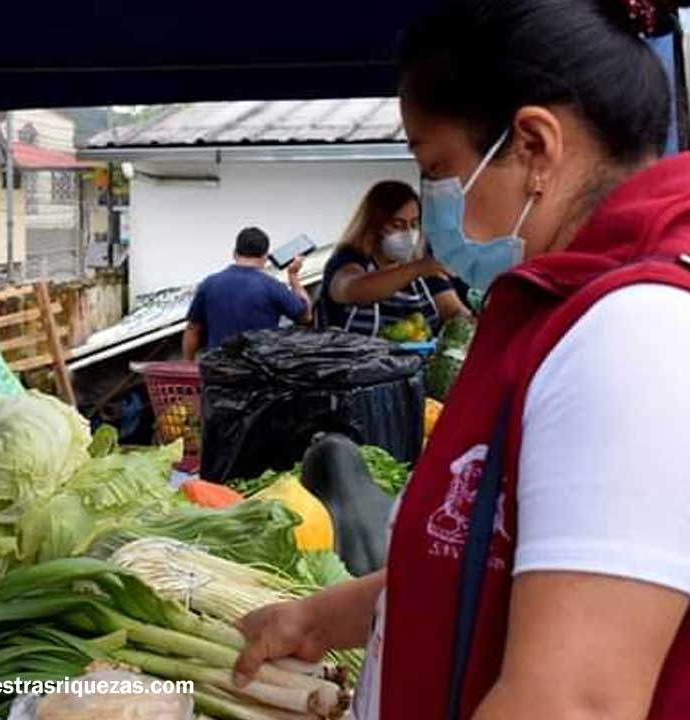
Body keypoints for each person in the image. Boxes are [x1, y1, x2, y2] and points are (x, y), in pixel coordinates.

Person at [233, 1, 690, 719]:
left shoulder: (634, 334)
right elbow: (503, 572)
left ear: (533, 146)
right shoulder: (565, 309)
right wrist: (319, 620)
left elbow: (573, 703)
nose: (436, 210)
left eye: (436, 169)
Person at [319, 180, 472, 335]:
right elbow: (352, 289)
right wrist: (416, 269)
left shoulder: (424, 264)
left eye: (414, 224)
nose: (408, 233)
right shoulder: (349, 259)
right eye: (397, 225)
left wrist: (467, 325)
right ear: (373, 226)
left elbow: (452, 310)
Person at [182, 227, 311, 359]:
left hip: (219, 366)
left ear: (234, 253)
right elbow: (305, 316)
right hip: (257, 366)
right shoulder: (272, 286)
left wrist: (187, 364)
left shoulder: (209, 284)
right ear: (265, 257)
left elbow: (192, 328)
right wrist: (293, 275)